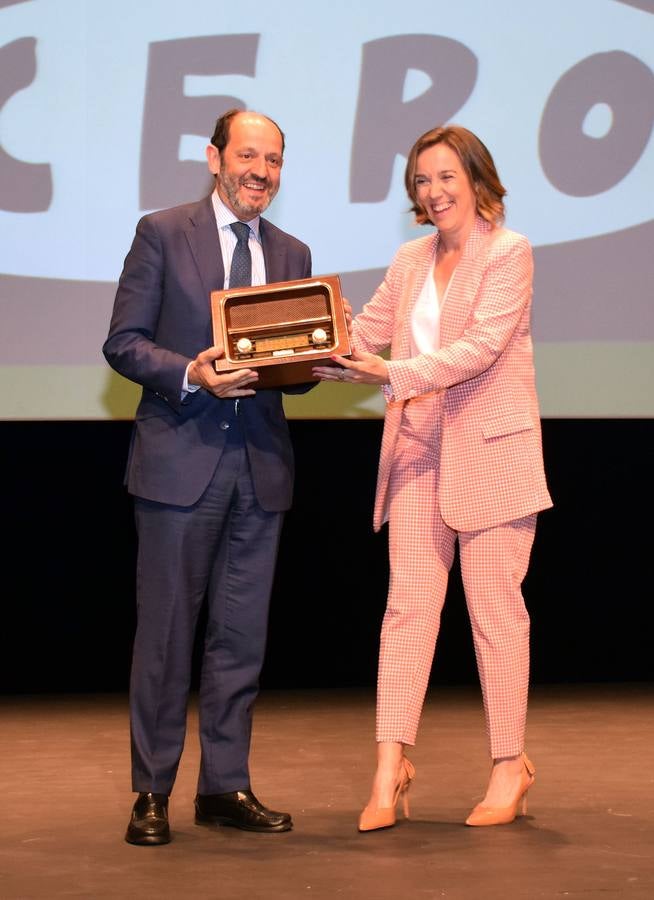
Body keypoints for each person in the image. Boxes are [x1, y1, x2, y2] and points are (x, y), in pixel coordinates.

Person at [314, 124, 553, 830]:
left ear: (478, 180)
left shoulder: (509, 254)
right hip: (418, 452)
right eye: (422, 179)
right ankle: (390, 766)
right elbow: (367, 337)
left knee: (494, 617)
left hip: (493, 455)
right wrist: (308, 344)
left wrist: (390, 373)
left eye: (446, 175)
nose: (434, 190)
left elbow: (480, 348)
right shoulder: (410, 259)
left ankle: (510, 765)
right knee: (408, 612)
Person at [103, 108, 313, 845]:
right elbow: (123, 342)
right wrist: (190, 372)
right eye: (249, 155)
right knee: (165, 637)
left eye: (275, 160)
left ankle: (224, 785)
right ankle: (151, 791)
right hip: (177, 467)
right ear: (215, 156)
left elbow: (296, 377)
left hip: (260, 470)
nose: (261, 171)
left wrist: (317, 355)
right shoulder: (162, 232)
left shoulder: (292, 252)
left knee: (240, 639)